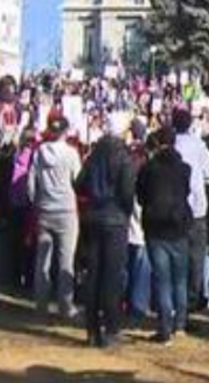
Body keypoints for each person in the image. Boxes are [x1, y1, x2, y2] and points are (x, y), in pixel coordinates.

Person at [76, 112, 137, 348]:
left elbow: (79, 183)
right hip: (114, 220)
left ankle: (92, 330)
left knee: (94, 274)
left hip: (93, 217)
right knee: (112, 276)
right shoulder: (123, 157)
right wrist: (124, 211)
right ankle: (111, 329)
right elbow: (127, 192)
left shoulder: (94, 155)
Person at [136, 126, 192, 345]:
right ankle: (180, 324)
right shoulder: (184, 169)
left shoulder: (148, 168)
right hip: (178, 227)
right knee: (180, 279)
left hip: (156, 228)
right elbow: (186, 192)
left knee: (163, 280)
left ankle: (165, 328)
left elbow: (140, 196)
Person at [28, 115, 82, 318]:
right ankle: (65, 306)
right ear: (65, 132)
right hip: (66, 211)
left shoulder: (40, 152)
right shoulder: (71, 154)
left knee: (42, 261)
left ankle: (40, 304)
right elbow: (78, 180)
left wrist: (36, 203)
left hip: (45, 209)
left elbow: (31, 181)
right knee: (65, 260)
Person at [173, 107, 209, 312]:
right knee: (196, 256)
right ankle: (193, 297)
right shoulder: (199, 145)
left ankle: (178, 298)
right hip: (196, 208)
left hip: (175, 207)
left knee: (177, 255)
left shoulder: (170, 143)